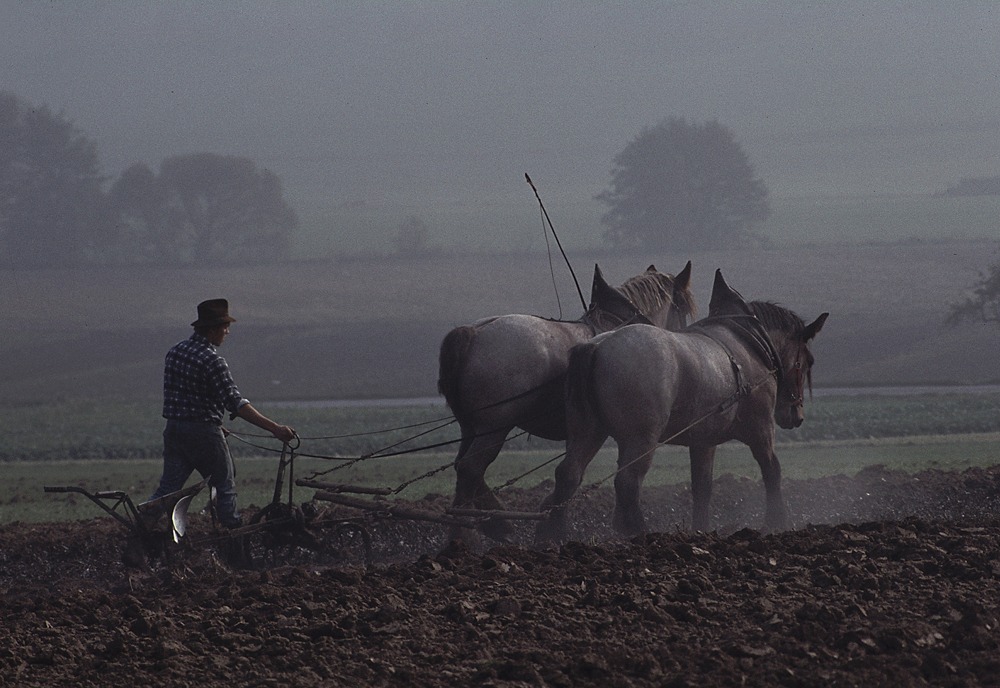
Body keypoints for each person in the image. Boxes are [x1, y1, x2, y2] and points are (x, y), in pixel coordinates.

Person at [147, 298, 296, 528]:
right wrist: (275, 428)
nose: (227, 332)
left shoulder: (175, 351)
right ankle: (233, 539)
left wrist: (214, 419)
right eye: (225, 327)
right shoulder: (213, 360)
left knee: (167, 489)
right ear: (213, 329)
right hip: (203, 433)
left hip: (175, 430)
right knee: (224, 486)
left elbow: (188, 395)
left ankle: (139, 531)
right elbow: (236, 404)